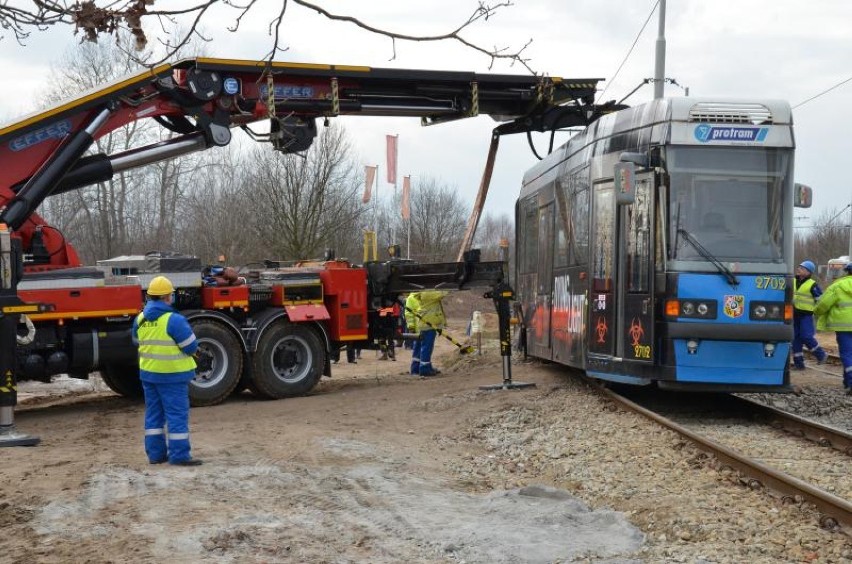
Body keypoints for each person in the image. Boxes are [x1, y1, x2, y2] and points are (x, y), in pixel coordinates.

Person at [132, 275, 202, 466]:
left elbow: (137, 341)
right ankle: (179, 456)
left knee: (154, 415)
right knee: (176, 415)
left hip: (149, 375)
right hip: (173, 375)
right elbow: (190, 347)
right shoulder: (174, 320)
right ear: (167, 297)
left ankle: (156, 456)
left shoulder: (140, 319)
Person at [815, 262, 852, 394]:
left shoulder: (837, 286)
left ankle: (850, 382)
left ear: (847, 272)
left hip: (843, 327)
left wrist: (816, 312)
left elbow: (824, 304)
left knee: (847, 354)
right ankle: (847, 382)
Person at [792, 260, 828, 370]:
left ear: (808, 272)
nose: (799, 269)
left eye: (802, 268)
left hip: (806, 316)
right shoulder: (792, 281)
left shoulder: (812, 285)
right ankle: (799, 365)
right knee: (795, 339)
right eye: (799, 267)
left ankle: (821, 355)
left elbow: (820, 300)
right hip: (794, 315)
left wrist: (818, 313)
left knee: (806, 337)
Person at [414, 290, 449, 377]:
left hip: (427, 323)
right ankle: (424, 369)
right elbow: (443, 293)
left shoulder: (424, 293)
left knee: (424, 346)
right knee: (427, 347)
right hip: (429, 324)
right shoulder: (428, 293)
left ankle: (419, 367)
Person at [405, 292, 422, 375]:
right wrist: (411, 327)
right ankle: (415, 369)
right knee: (418, 349)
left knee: (423, 350)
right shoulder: (411, 298)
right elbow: (408, 314)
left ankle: (421, 368)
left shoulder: (423, 295)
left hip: (425, 327)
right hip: (418, 329)